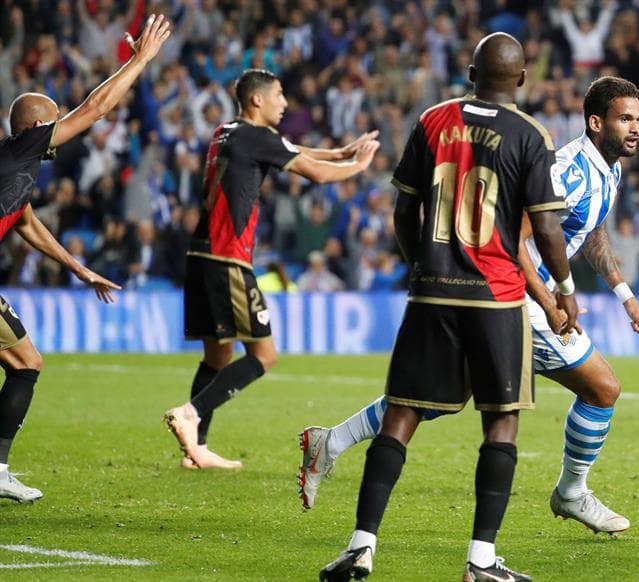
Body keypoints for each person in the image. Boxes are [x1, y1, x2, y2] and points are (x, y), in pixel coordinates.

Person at [302, 77, 639, 544]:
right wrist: (548, 301)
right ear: (596, 122)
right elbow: (517, 238)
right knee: (602, 388)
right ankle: (570, 493)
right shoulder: (568, 168)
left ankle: (331, 441)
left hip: (513, 298)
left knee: (444, 392)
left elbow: (590, 232)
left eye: (638, 119)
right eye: (625, 118)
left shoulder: (607, 169)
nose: (635, 128)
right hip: (521, 301)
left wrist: (625, 295)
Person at [318, 33, 578, 582]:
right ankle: (480, 562)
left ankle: (360, 547)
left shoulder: (433, 120)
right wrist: (565, 289)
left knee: (401, 414)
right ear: (523, 80)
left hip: (433, 291)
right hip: (498, 297)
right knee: (501, 422)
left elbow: (402, 211)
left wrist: (420, 267)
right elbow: (548, 227)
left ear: (469, 72)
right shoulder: (532, 135)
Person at [163, 69, 380, 470]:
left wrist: (340, 151)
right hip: (228, 257)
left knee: (217, 355)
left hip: (201, 255)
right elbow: (312, 173)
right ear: (257, 100)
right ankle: (190, 415)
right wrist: (358, 166)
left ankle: (197, 450)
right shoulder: (256, 137)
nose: (285, 102)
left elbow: (288, 149)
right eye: (279, 95)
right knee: (264, 355)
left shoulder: (226, 132)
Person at [0, 14, 171, 502]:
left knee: (23, 361)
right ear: (37, 127)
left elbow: (28, 225)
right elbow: (95, 109)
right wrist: (140, 61)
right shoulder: (22, 147)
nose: (60, 127)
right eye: (54, 120)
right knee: (26, 363)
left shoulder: (14, 169)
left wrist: (80, 269)